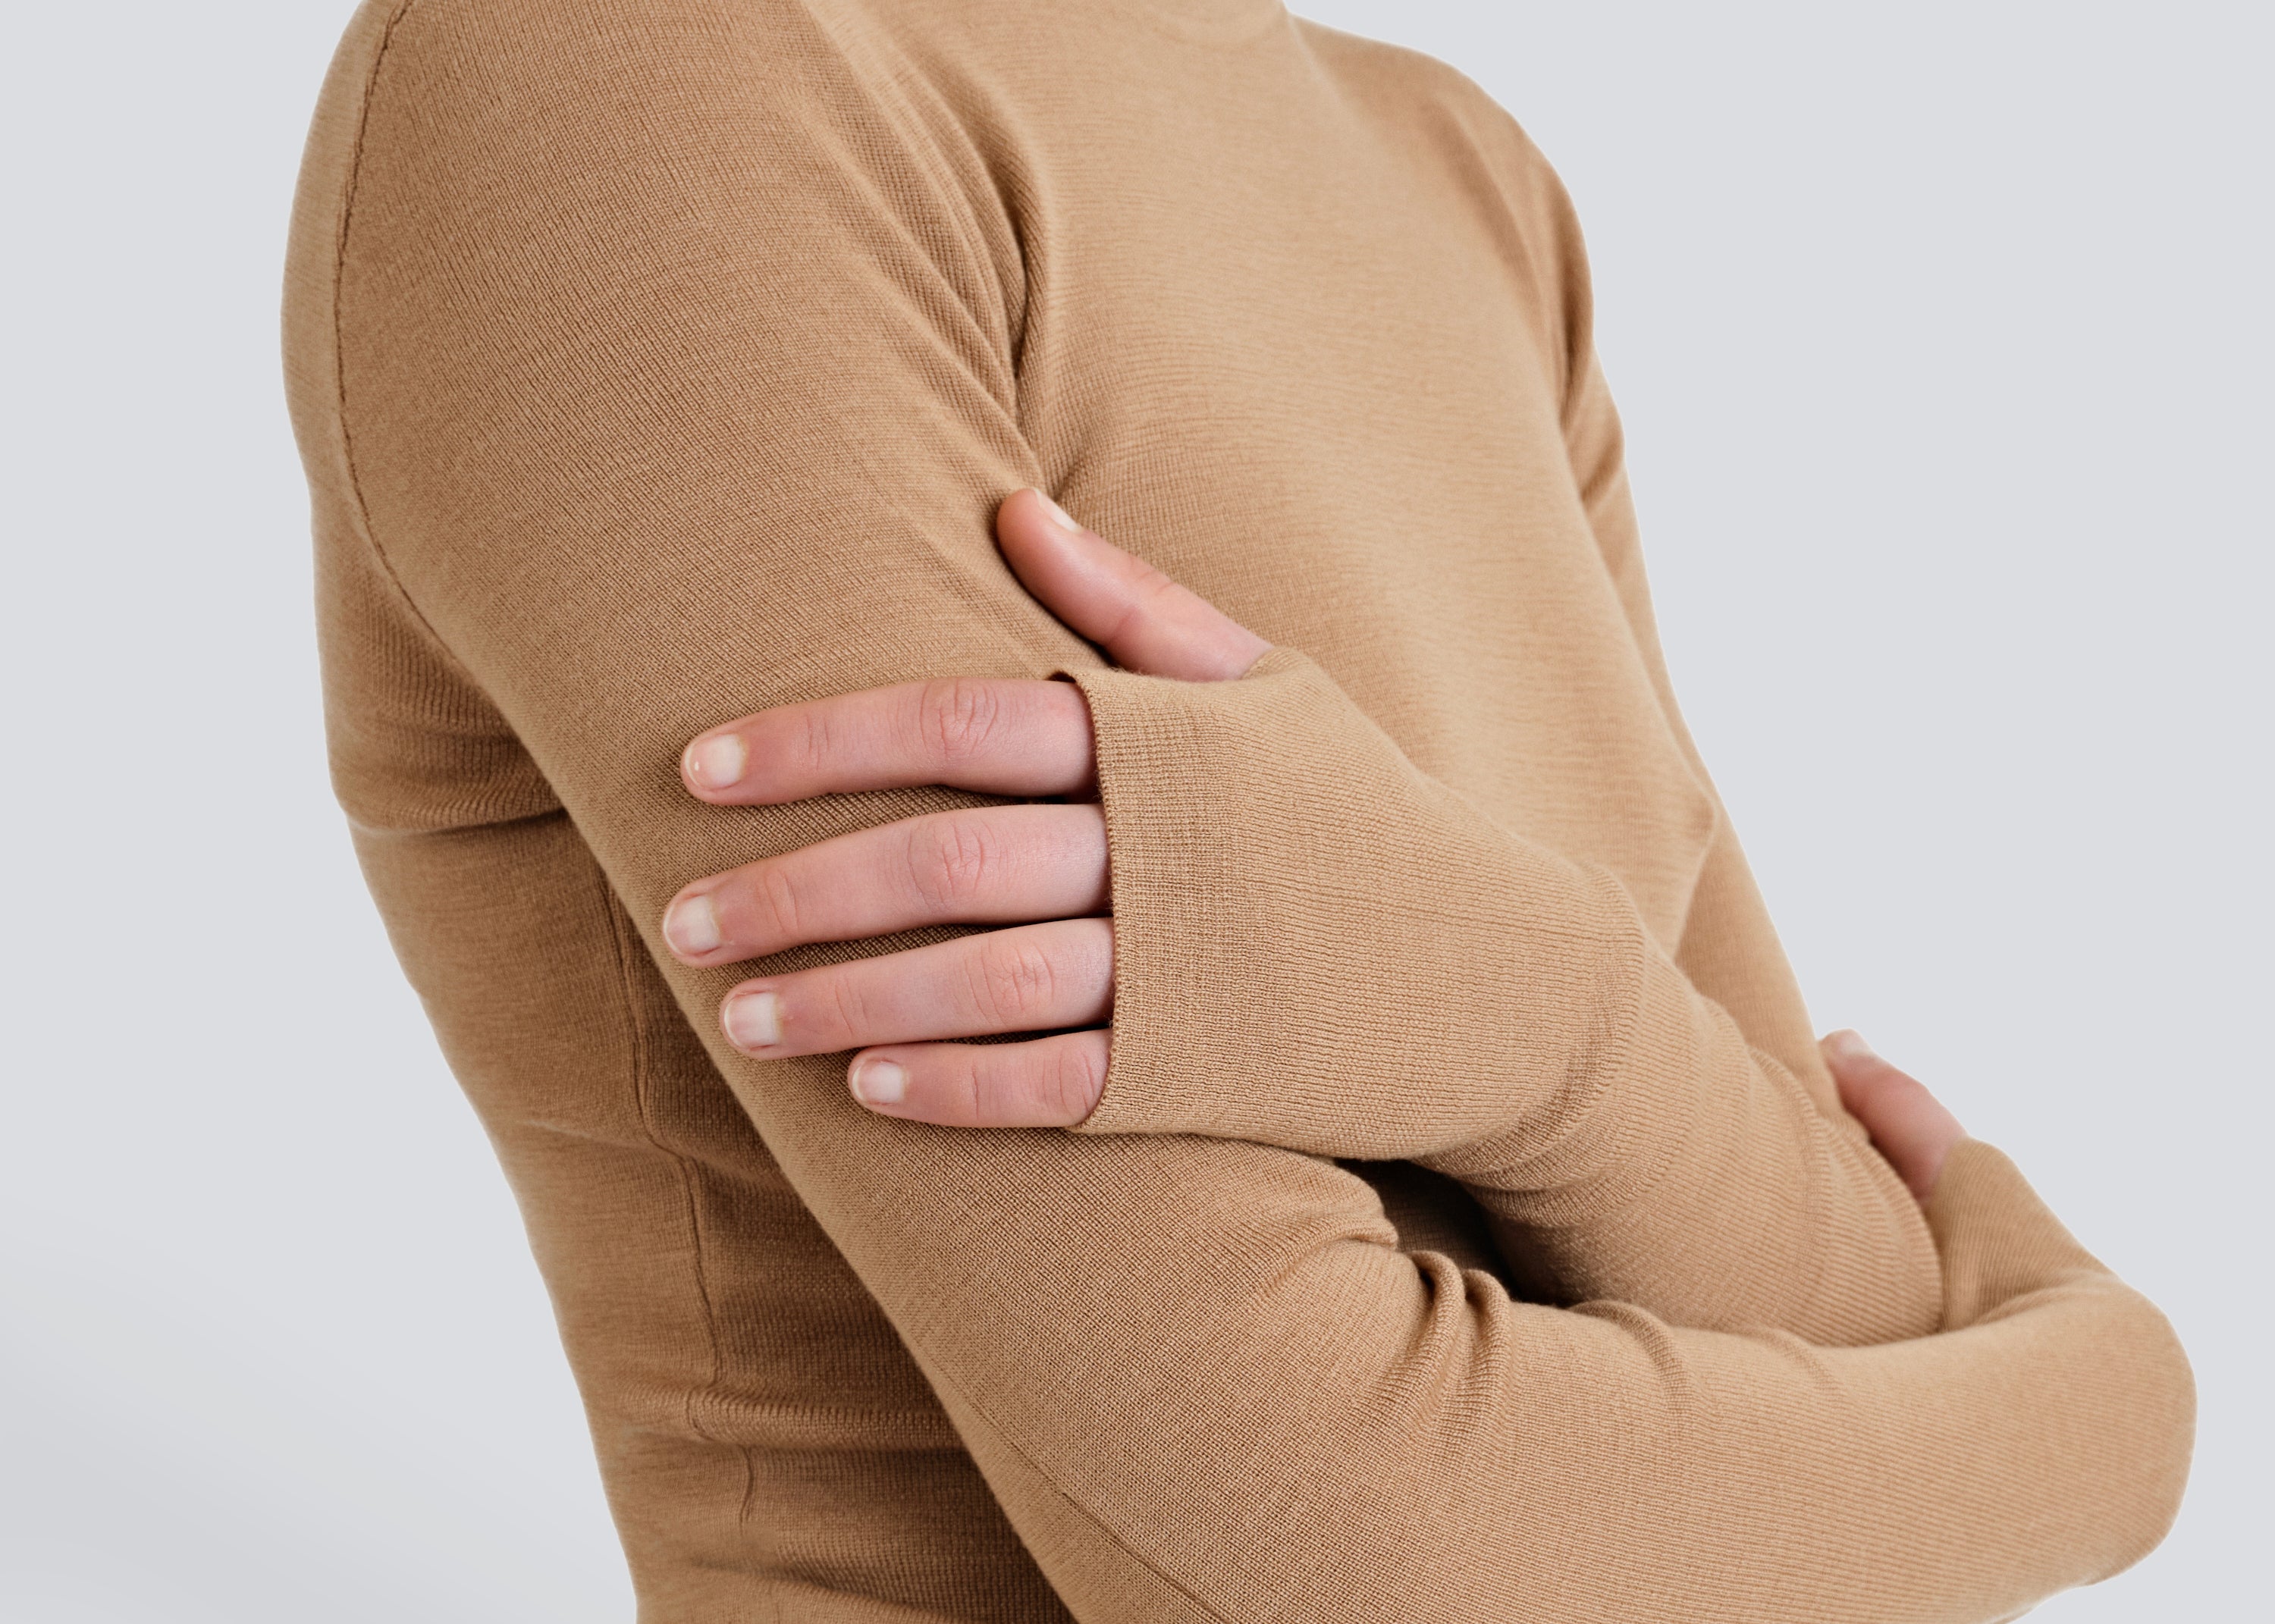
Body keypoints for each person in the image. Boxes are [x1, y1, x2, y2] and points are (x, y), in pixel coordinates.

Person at [284, 1, 2193, 1618]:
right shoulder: (638, 76)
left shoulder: (1461, 170)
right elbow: (1341, 1539)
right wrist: (2098, 1420)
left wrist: (1544, 1024)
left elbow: (1850, 1298)